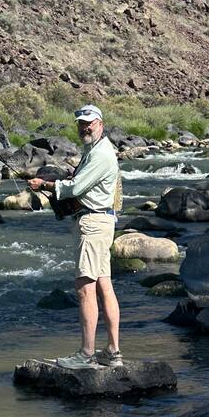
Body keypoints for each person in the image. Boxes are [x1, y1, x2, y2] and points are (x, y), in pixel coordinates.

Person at [28, 104, 122, 369]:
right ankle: (113, 353)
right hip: (100, 221)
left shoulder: (101, 153)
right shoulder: (94, 150)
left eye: (89, 122)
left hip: (92, 224)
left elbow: (78, 187)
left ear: (100, 124)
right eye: (81, 123)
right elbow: (81, 181)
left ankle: (87, 354)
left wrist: (45, 185)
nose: (84, 127)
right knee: (104, 286)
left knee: (85, 287)